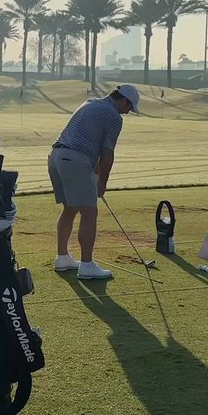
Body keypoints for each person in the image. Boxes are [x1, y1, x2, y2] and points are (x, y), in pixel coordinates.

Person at [48, 85, 140, 280]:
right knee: (90, 212)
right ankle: (87, 265)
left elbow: (91, 144)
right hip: (75, 159)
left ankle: (62, 258)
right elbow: (107, 154)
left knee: (70, 208)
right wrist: (102, 183)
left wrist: (95, 173)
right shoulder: (114, 117)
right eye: (129, 108)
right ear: (124, 101)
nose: (127, 112)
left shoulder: (90, 103)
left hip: (56, 156)